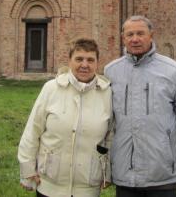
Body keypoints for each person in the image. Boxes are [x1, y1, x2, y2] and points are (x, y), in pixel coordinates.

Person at [104, 15, 176, 197]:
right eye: (130, 34)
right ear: (123, 37)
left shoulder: (172, 70)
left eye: (140, 33)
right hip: (125, 174)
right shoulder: (111, 71)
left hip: (163, 173)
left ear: (151, 35)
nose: (135, 39)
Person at [18, 38, 113, 197]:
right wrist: (27, 168)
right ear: (69, 61)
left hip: (87, 188)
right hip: (49, 185)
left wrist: (107, 172)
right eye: (79, 59)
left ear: (97, 63)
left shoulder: (107, 93)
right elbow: (32, 131)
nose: (84, 64)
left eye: (90, 60)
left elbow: (110, 137)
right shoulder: (51, 89)